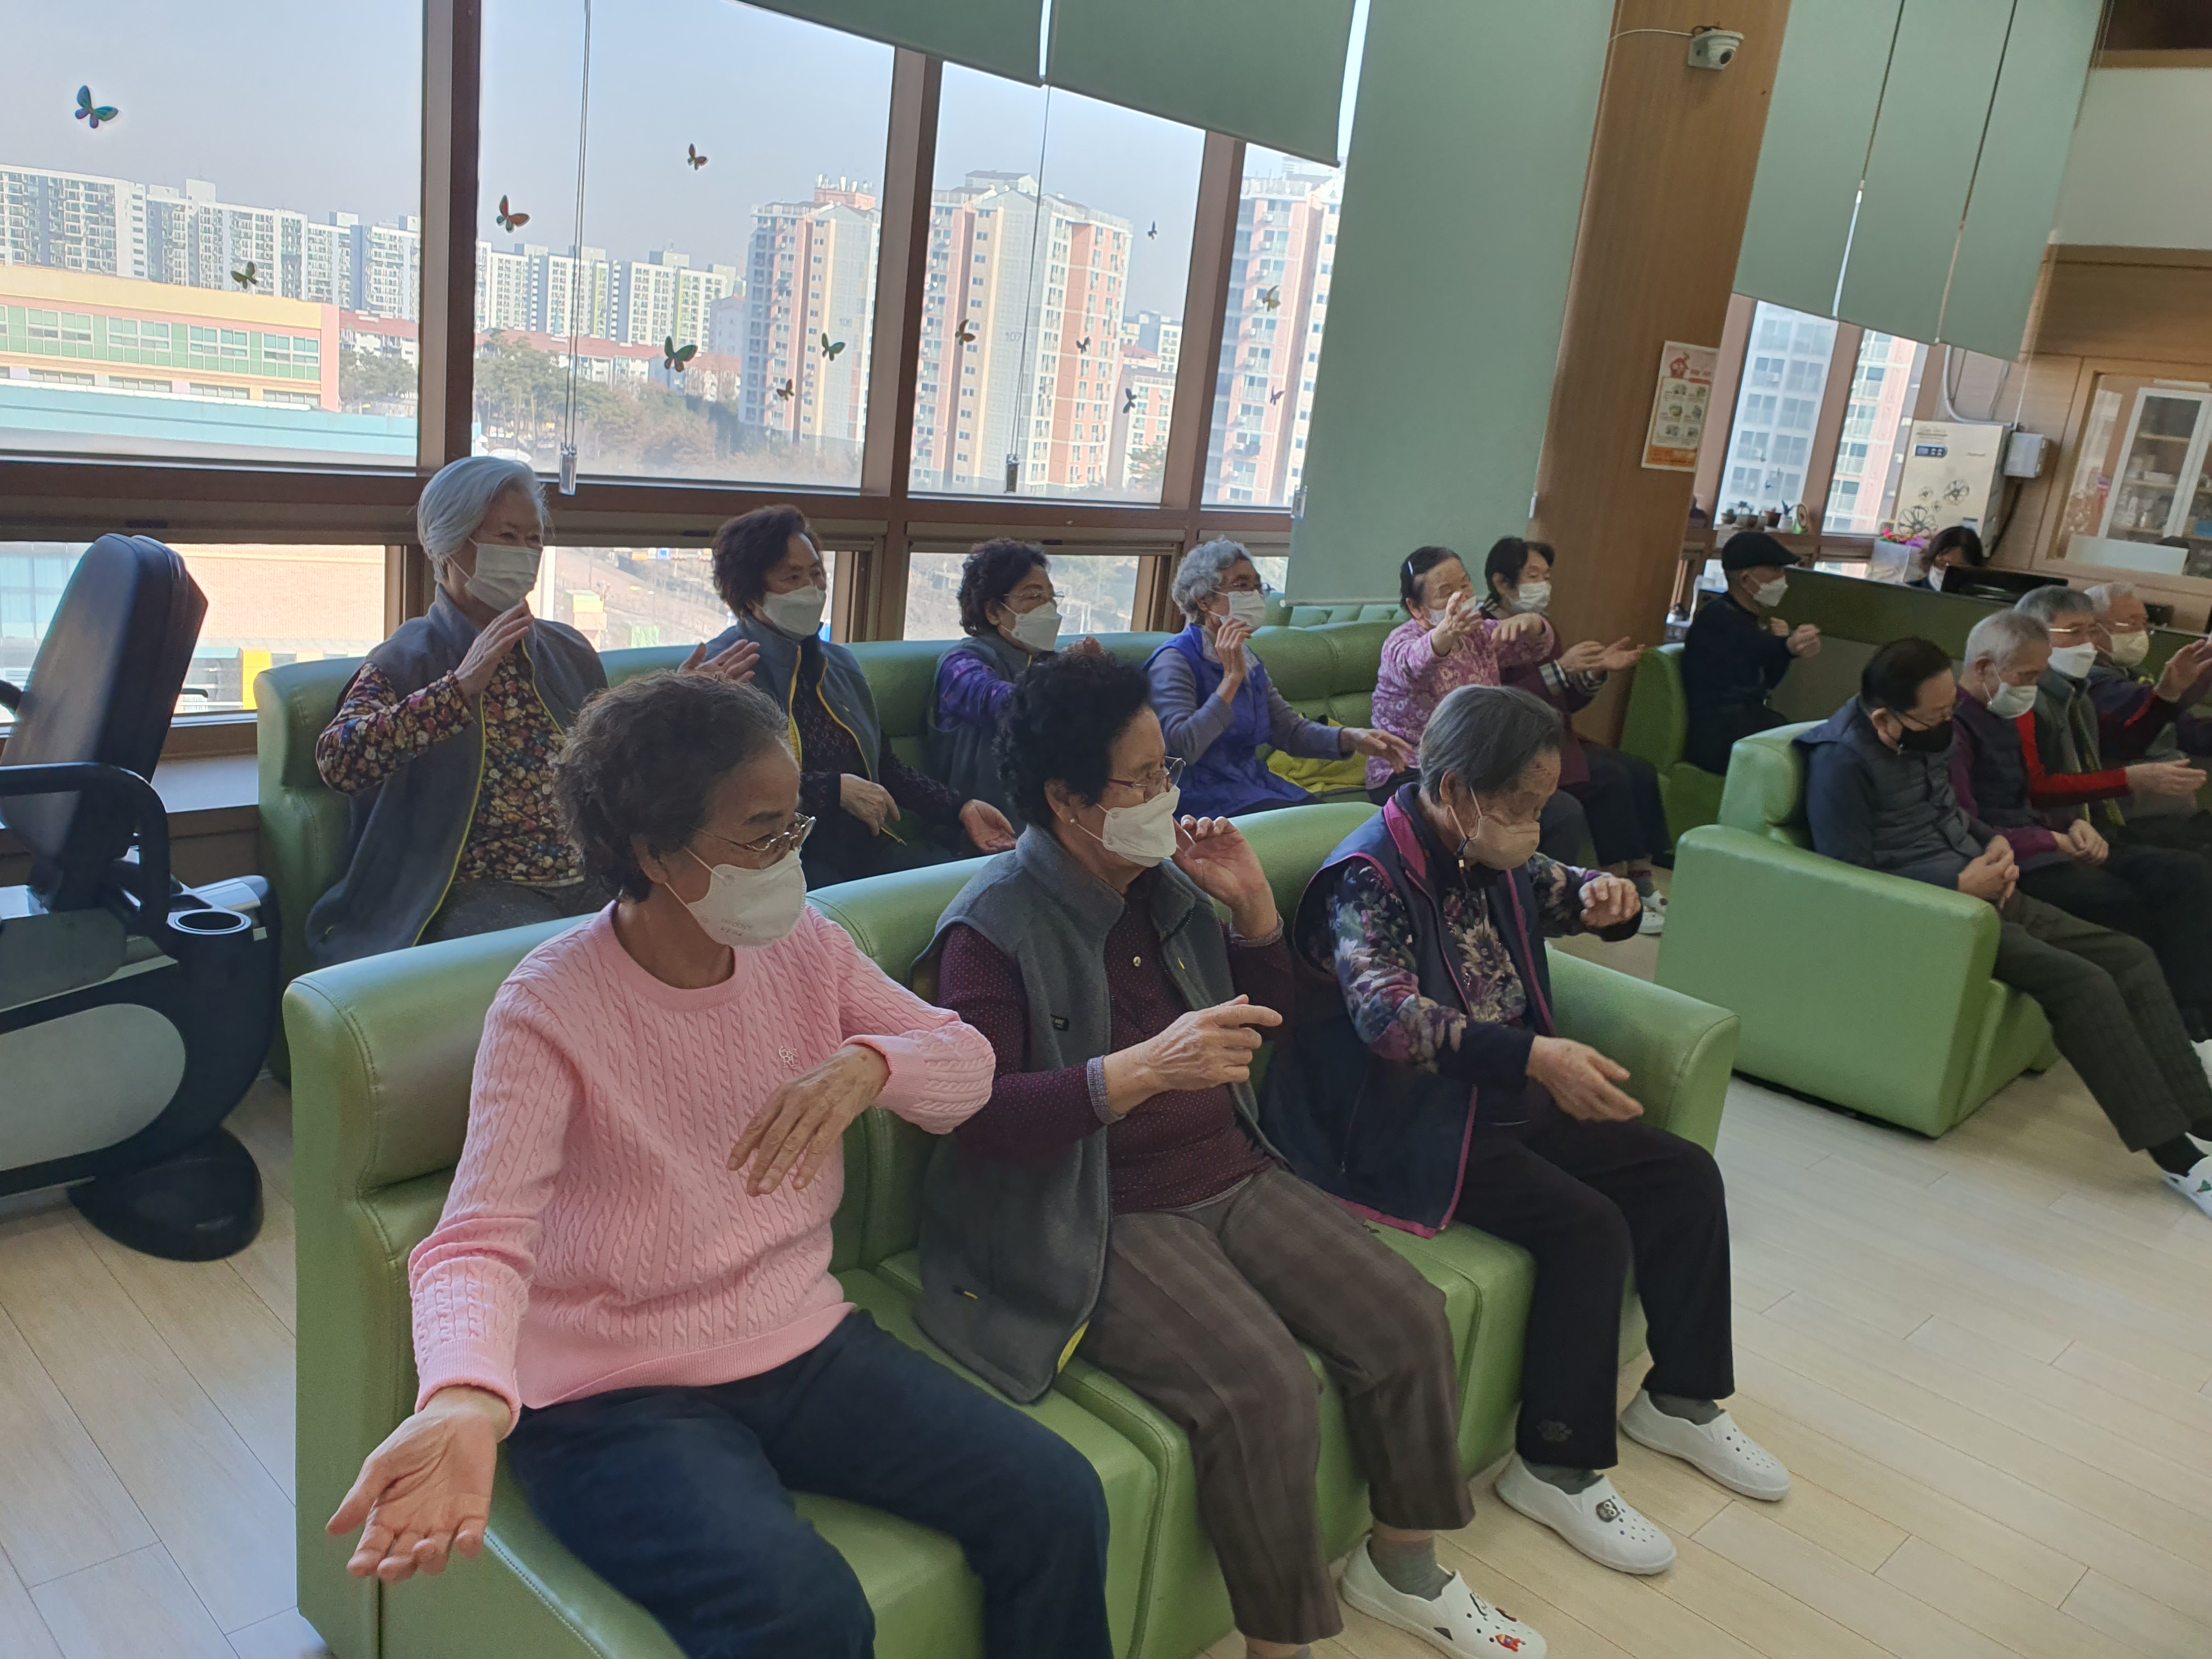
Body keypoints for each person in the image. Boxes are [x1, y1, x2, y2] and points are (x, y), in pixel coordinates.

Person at [325, 672, 1114, 1659]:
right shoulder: (550, 1005)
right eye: (762, 835)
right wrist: (463, 1396)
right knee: (804, 1612)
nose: (793, 858)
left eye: (794, 827)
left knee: (1058, 1496)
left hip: (801, 1339)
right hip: (612, 1395)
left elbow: (968, 1067)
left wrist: (874, 1065)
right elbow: (478, 1238)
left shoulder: (807, 947)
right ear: (654, 851)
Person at [922, 651, 1543, 1659]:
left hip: (1229, 1164)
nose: (1166, 793)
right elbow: (978, 1113)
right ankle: (1278, 1646)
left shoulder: (1163, 883)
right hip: (1099, 1203)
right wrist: (1131, 1073)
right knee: (1263, 1386)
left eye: (1166, 769)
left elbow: (1260, 1026)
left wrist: (1254, 916)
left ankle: (1404, 1567)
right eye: (1141, 779)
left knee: (1407, 1316)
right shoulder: (992, 927)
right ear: (1067, 800)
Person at [1268, 685, 1782, 1579]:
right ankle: (1554, 1463)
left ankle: (1682, 1397)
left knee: (1683, 1175)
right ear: (1457, 788)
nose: (1535, 827)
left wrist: (1612, 899)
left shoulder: (1488, 851)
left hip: (1500, 1099)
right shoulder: (1368, 876)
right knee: (1589, 1226)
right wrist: (1536, 1057)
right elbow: (1388, 1021)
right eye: (1523, 805)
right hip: (1403, 1124)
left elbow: (1565, 891)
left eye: (1542, 805)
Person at [1798, 637, 2212, 1222]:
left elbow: (1952, 812)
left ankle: (2202, 1114)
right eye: (1937, 716)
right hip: (1937, 912)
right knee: (2085, 983)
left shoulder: (1924, 735)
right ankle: (2180, 1160)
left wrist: (1992, 842)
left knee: (2131, 955)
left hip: (1988, 887)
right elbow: (1847, 876)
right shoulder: (1840, 761)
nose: (1948, 724)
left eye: (1950, 710)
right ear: (1886, 719)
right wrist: (1958, 885)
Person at [308, 455, 758, 966]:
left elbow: (610, 762)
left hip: (589, 871)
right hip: (472, 887)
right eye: (506, 537)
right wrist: (456, 691)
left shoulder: (568, 650)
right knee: (565, 964)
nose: (524, 554)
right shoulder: (407, 658)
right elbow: (338, 760)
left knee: (700, 924)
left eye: (534, 540)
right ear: (449, 544)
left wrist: (675, 703)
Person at [699, 505, 1015, 887]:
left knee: (978, 884)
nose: (812, 589)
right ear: (751, 595)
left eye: (817, 573)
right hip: (782, 861)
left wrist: (961, 808)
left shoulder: (840, 665)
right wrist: (834, 790)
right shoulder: (726, 672)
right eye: (792, 577)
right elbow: (734, 791)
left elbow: (885, 766)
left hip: (867, 851)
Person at [1953, 610, 2212, 1041]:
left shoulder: (2029, 705)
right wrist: (2052, 836)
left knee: (2185, 872)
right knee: (2124, 902)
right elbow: (1975, 817)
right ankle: (2171, 1025)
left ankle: (2196, 1017)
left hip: (2060, 833)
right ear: (1984, 668)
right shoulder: (1960, 725)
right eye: (2078, 631)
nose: (2091, 642)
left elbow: (2034, 791)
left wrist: (2071, 827)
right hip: (2020, 853)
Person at [1146, 539, 1412, 817]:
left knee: (1339, 823)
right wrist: (1231, 681)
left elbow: (1289, 730)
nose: (1255, 595)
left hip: (1253, 784)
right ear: (1204, 601)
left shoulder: (1248, 659)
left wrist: (1352, 738)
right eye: (1242, 585)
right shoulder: (1175, 660)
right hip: (1200, 798)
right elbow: (1180, 750)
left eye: (1258, 586)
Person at [1481, 537, 1667, 931]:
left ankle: (1642, 881)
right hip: (1519, 751)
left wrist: (1593, 673)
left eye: (1547, 576)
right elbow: (1499, 706)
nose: (1543, 585)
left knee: (1638, 770)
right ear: (1501, 582)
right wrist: (1560, 670)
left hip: (1557, 738)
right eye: (1533, 576)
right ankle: (1613, 892)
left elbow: (1563, 703)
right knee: (1609, 780)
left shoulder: (1541, 628)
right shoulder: (1486, 633)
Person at [2013, 585, 2212, 861]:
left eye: (2091, 632)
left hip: (2100, 827)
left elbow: (2127, 741)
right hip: (2076, 831)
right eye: (2075, 632)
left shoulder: (2079, 695)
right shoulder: (2029, 699)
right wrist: (2130, 779)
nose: (2089, 644)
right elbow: (2035, 789)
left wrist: (2168, 695)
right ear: (2032, 635)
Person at [926, 538, 1104, 825]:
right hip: (984, 828)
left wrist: (1096, 676)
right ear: (994, 612)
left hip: (1054, 824)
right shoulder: (960, 663)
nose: (1048, 609)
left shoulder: (1048, 661)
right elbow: (1005, 704)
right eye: (1034, 597)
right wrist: (1068, 679)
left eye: (1051, 598)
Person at [1679, 531, 1821, 776]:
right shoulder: (1717, 618)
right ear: (1746, 580)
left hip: (1743, 725)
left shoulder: (1748, 620)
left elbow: (1764, 681)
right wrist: (1786, 646)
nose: (1783, 579)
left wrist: (1783, 649)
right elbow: (1750, 647)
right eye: (1775, 570)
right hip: (1718, 738)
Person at [2085, 581, 2212, 810]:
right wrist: (2187, 683)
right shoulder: (2091, 680)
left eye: (2144, 624)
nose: (2140, 632)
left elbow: (2181, 728)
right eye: (2131, 622)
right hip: (2127, 811)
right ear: (2093, 629)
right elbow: (2146, 710)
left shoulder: (2134, 673)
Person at [1909, 525, 1985, 590]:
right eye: (1942, 564)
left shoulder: (1982, 601)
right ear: (1931, 559)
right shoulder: (1908, 593)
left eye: (1958, 568)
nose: (1947, 572)